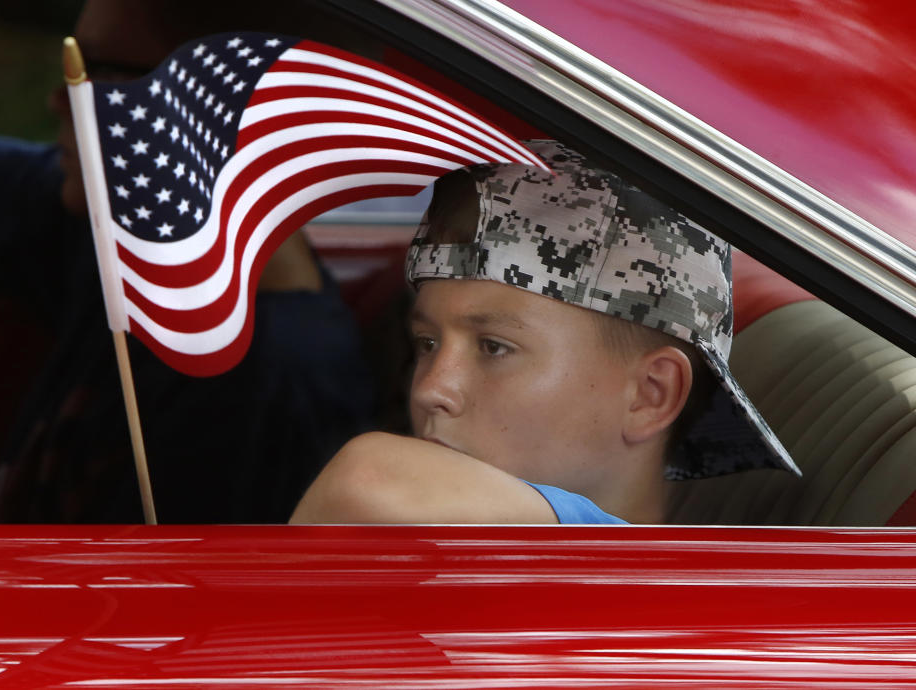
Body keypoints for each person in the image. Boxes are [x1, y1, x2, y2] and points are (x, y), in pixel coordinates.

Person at [0, 0, 377, 523]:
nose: (57, 101)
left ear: (236, 109)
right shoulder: (116, 233)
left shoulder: (273, 391)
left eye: (97, 77)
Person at [290, 140, 800, 525]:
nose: (430, 389)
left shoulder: (618, 580)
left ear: (650, 394)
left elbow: (370, 477)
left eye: (494, 347)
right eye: (428, 344)